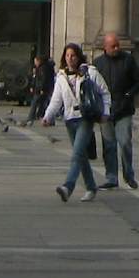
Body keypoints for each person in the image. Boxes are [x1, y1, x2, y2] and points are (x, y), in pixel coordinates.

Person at [42, 42, 109, 202]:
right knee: (81, 156)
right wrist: (48, 116)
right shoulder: (61, 77)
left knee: (77, 153)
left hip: (86, 118)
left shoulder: (89, 72)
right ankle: (91, 187)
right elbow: (56, 100)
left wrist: (106, 112)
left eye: (73, 55)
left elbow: (104, 92)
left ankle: (68, 187)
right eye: (67, 56)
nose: (70, 59)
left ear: (78, 56)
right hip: (69, 119)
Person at [93, 33, 139, 188]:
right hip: (105, 110)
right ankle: (111, 177)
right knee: (108, 144)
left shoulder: (128, 60)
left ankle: (129, 174)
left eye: (117, 45)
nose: (117, 48)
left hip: (124, 109)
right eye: (113, 46)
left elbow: (137, 82)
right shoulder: (98, 63)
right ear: (105, 47)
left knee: (125, 141)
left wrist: (129, 95)